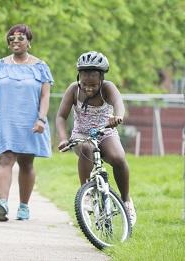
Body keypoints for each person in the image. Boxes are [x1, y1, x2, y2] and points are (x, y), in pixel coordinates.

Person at [55, 51, 137, 226]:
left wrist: (117, 117)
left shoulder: (108, 88)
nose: (88, 88)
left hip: (105, 131)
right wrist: (63, 138)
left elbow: (119, 104)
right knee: (86, 148)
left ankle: (126, 201)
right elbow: (61, 116)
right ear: (79, 78)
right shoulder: (73, 90)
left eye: (93, 84)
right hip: (81, 134)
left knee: (118, 158)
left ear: (101, 79)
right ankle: (86, 194)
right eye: (84, 84)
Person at [0, 24, 53, 222]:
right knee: (5, 159)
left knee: (26, 163)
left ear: (29, 42)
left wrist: (41, 118)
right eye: (11, 39)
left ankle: (24, 206)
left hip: (30, 121)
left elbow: (45, 97)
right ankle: (2, 203)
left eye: (20, 38)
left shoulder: (40, 67)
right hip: (4, 121)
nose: (15, 41)